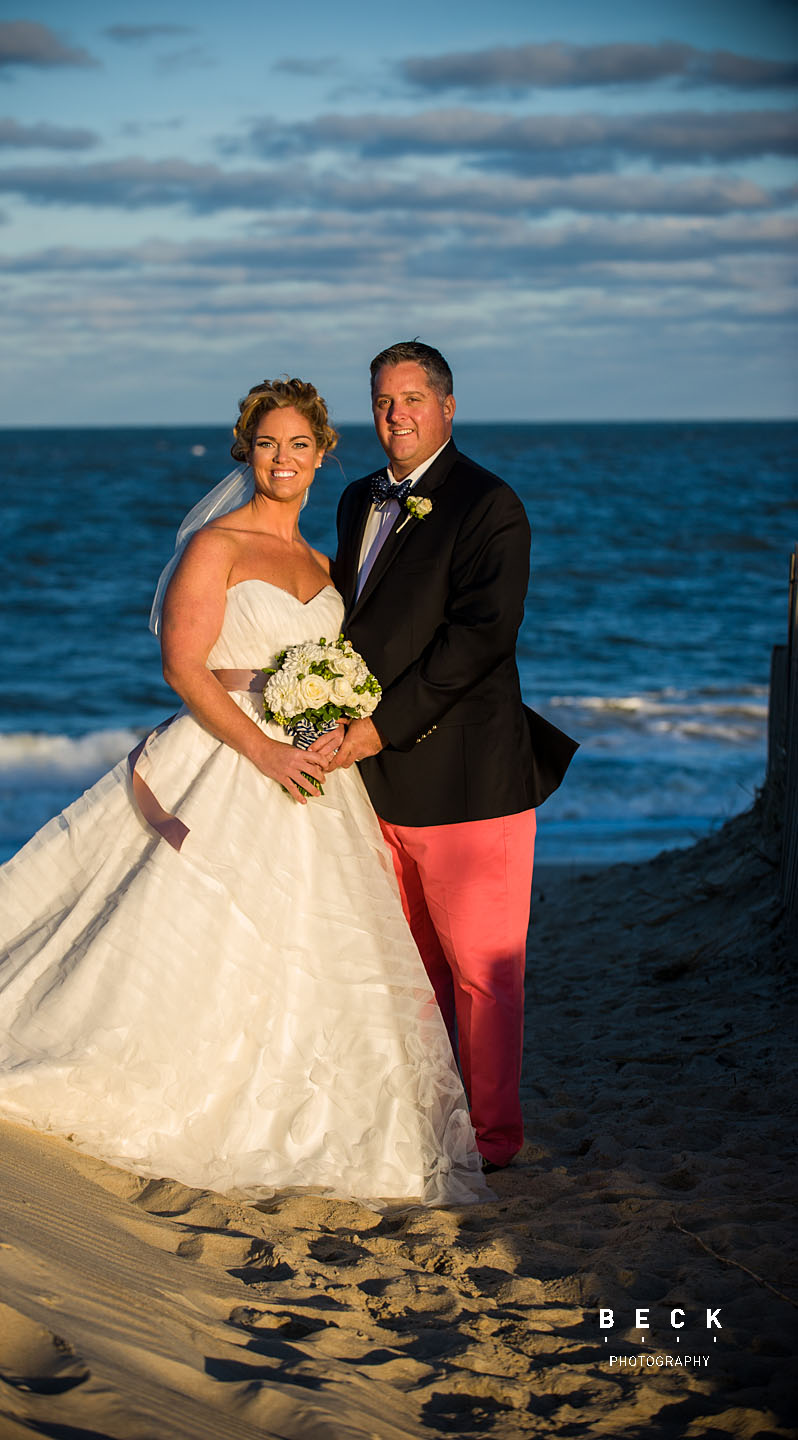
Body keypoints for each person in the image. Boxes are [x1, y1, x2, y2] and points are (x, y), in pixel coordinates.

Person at [0, 377, 486, 1208]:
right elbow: (184, 665)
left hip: (318, 777)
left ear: (325, 453)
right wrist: (262, 749)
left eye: (298, 445)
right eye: (266, 444)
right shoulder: (216, 545)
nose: (282, 460)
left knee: (318, 944)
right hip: (231, 758)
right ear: (244, 452)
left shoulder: (325, 565)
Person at [319, 342, 577, 1172]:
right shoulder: (359, 496)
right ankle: (433, 1119)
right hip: (379, 781)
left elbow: (479, 640)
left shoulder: (489, 504)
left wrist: (379, 727)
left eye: (412, 399)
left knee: (482, 974)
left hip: (470, 781)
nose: (397, 415)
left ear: (448, 406)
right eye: (384, 401)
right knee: (411, 967)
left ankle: (493, 1141)